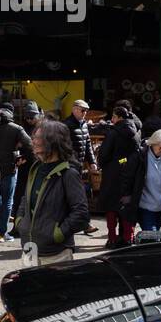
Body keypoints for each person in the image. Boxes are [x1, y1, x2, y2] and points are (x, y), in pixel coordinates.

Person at [16, 120, 89, 267]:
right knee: (28, 290)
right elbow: (26, 198)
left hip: (56, 255)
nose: (33, 141)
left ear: (53, 142)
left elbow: (81, 213)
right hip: (29, 250)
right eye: (34, 137)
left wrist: (57, 234)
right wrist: (20, 222)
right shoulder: (35, 168)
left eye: (38, 138)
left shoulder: (68, 174)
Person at [98, 104, 141, 248]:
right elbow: (134, 154)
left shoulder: (113, 133)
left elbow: (103, 155)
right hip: (130, 173)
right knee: (126, 205)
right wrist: (125, 161)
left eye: (113, 117)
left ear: (119, 117)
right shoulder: (135, 132)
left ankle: (112, 238)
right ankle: (128, 237)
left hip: (112, 174)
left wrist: (113, 162)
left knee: (111, 207)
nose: (112, 119)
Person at [121, 129, 161, 233]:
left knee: (154, 236)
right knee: (151, 237)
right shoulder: (139, 156)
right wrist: (127, 198)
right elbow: (128, 178)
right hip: (145, 206)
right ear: (153, 144)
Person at [0, 106, 33, 242]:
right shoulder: (17, 129)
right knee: (7, 201)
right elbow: (31, 146)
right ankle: (2, 233)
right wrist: (23, 158)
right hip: (10, 169)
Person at [65, 99, 99, 236]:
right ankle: (82, 224)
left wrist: (92, 161)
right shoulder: (66, 125)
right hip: (69, 167)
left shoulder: (84, 125)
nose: (85, 114)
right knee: (76, 197)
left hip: (77, 167)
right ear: (74, 109)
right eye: (82, 111)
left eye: (86, 111)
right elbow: (64, 147)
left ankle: (84, 224)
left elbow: (88, 144)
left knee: (79, 197)